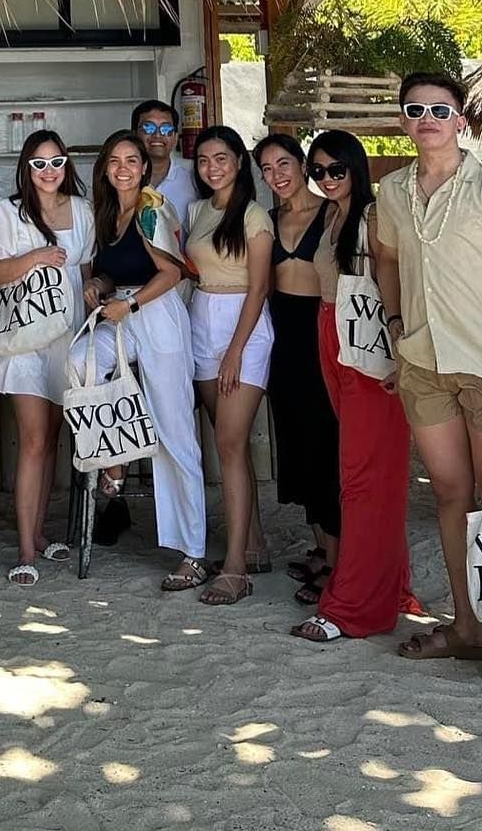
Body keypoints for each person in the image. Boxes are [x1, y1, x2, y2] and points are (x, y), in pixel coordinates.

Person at [376, 73, 482, 696]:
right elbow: (387, 260)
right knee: (452, 496)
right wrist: (396, 325)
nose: (427, 118)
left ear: (460, 120)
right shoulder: (390, 193)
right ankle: (469, 626)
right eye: (415, 109)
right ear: (404, 121)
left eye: (439, 110)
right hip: (424, 365)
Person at [290, 130, 417, 645]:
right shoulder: (332, 214)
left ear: (355, 169)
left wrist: (399, 347)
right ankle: (388, 586)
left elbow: (401, 276)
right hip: (335, 336)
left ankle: (355, 605)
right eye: (317, 171)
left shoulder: (375, 214)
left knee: (364, 478)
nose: (325, 179)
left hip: (369, 342)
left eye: (335, 170)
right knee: (367, 473)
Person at [78, 131, 207, 590]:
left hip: (155, 314)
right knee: (80, 363)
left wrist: (128, 306)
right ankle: (116, 459)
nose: (123, 168)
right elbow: (115, 270)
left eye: (131, 160)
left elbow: (172, 272)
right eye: (114, 160)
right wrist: (100, 286)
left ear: (143, 166)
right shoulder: (109, 214)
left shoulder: (152, 210)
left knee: (176, 431)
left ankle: (192, 552)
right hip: (122, 311)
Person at [0, 128, 94, 587]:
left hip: (69, 333)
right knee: (32, 439)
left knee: (52, 440)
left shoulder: (83, 210)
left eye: (55, 162)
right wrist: (37, 257)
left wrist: (97, 293)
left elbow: (88, 271)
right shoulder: (6, 211)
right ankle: (26, 548)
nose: (48, 171)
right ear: (25, 168)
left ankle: (41, 529)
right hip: (26, 336)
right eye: (38, 163)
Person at [186, 125, 274, 605]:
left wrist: (237, 349)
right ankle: (254, 544)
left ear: (239, 161)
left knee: (229, 443)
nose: (212, 167)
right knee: (227, 444)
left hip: (244, 328)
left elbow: (259, 289)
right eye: (204, 159)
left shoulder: (255, 216)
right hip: (202, 321)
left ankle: (236, 568)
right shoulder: (199, 211)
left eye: (221, 157)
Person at [255, 133, 341, 604]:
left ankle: (339, 557)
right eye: (267, 169)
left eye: (284, 164)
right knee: (297, 442)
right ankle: (320, 547)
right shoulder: (268, 220)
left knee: (327, 440)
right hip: (281, 335)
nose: (277, 175)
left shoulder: (330, 213)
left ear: (302, 164)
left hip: (321, 332)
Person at [132, 100, 198, 230]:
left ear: (175, 137)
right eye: (148, 128)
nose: (157, 135)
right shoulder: (123, 177)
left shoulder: (194, 175)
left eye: (166, 129)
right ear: (134, 135)